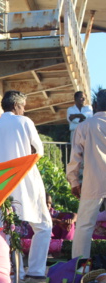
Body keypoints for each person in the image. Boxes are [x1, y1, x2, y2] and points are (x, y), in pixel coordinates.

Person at [0, 90, 52, 279]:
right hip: (26, 179)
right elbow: (38, 151)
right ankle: (36, 271)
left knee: (5, 229)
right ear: (16, 106)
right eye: (23, 107)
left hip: (3, 182)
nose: (24, 110)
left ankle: (8, 270)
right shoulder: (25, 122)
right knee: (44, 226)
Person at [66, 89, 106, 259]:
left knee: (84, 226)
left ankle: (79, 268)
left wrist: (74, 182)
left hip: (93, 181)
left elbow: (75, 158)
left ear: (95, 106)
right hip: (93, 181)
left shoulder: (84, 126)